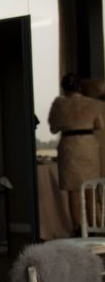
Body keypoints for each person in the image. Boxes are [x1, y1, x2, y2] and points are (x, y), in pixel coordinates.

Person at [48, 73, 103, 230]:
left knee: (73, 191)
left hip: (69, 147)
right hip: (88, 147)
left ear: (64, 88)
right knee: (90, 187)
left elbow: (53, 128)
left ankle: (78, 228)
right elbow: (99, 125)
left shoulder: (58, 104)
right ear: (80, 87)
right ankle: (94, 227)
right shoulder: (92, 104)